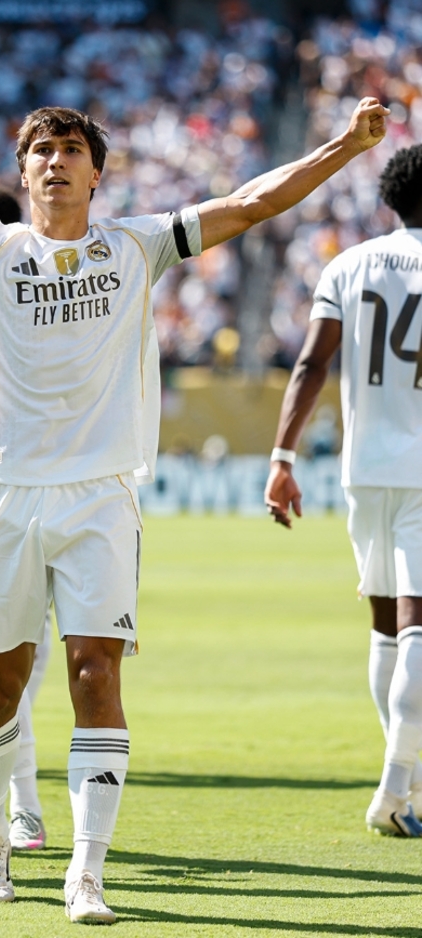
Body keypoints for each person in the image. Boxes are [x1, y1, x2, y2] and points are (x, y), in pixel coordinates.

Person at [0, 51, 387, 922]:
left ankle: (86, 872)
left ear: (98, 174)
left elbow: (251, 202)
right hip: (7, 498)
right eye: (40, 152)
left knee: (97, 675)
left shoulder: (137, 243)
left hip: (100, 499)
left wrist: (345, 147)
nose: (54, 162)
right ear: (22, 174)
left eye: (70, 151)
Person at [264, 144, 422, 838]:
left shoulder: (348, 264)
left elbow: (311, 364)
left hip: (363, 468)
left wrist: (282, 456)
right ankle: (394, 786)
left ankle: (403, 781)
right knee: (418, 626)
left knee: (388, 626)